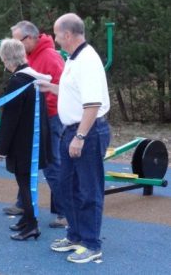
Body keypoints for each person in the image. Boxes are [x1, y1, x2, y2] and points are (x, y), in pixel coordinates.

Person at [36, 13, 110, 263]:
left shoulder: (87, 59)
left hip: (86, 131)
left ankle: (91, 243)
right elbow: (75, 93)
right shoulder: (73, 58)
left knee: (88, 189)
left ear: (67, 35)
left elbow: (92, 103)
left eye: (57, 34)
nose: (55, 40)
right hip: (72, 130)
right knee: (67, 186)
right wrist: (52, 88)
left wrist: (80, 136)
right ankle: (75, 235)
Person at [3, 21, 67, 229]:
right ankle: (24, 203)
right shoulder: (28, 58)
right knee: (25, 163)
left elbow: (61, 89)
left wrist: (40, 110)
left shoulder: (50, 57)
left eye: (17, 40)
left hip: (50, 117)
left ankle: (64, 211)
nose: (16, 45)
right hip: (35, 118)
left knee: (51, 164)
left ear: (29, 39)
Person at [0, 38, 50, 241]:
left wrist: (2, 148)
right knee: (25, 183)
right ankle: (27, 219)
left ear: (5, 59)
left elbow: (10, 118)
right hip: (34, 140)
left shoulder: (17, 81)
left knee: (25, 184)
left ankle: (32, 225)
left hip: (22, 144)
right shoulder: (34, 78)